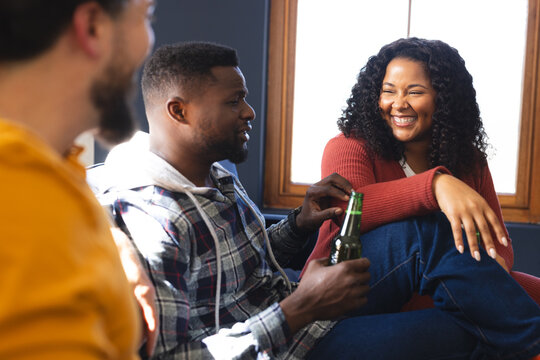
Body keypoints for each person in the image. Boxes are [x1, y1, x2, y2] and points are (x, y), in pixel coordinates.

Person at [91, 41, 540, 360]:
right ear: (179, 111)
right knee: (471, 334)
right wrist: (299, 308)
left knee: (427, 237)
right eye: (235, 101)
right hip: (287, 342)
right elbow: (174, 356)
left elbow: (250, 257)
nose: (249, 111)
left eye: (244, 99)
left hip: (300, 311)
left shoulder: (216, 177)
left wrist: (299, 224)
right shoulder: (148, 217)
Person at [304, 37, 540, 309]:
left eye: (414, 92)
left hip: (451, 286)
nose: (399, 104)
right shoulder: (347, 146)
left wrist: (493, 270)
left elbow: (497, 239)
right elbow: (351, 210)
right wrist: (436, 185)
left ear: (445, 99)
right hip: (353, 295)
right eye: (389, 91)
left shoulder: (469, 161)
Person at [0, 0, 156, 358]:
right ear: (92, 27)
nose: (149, 41)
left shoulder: (47, 171)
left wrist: (115, 253)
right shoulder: (23, 193)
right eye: (146, 17)